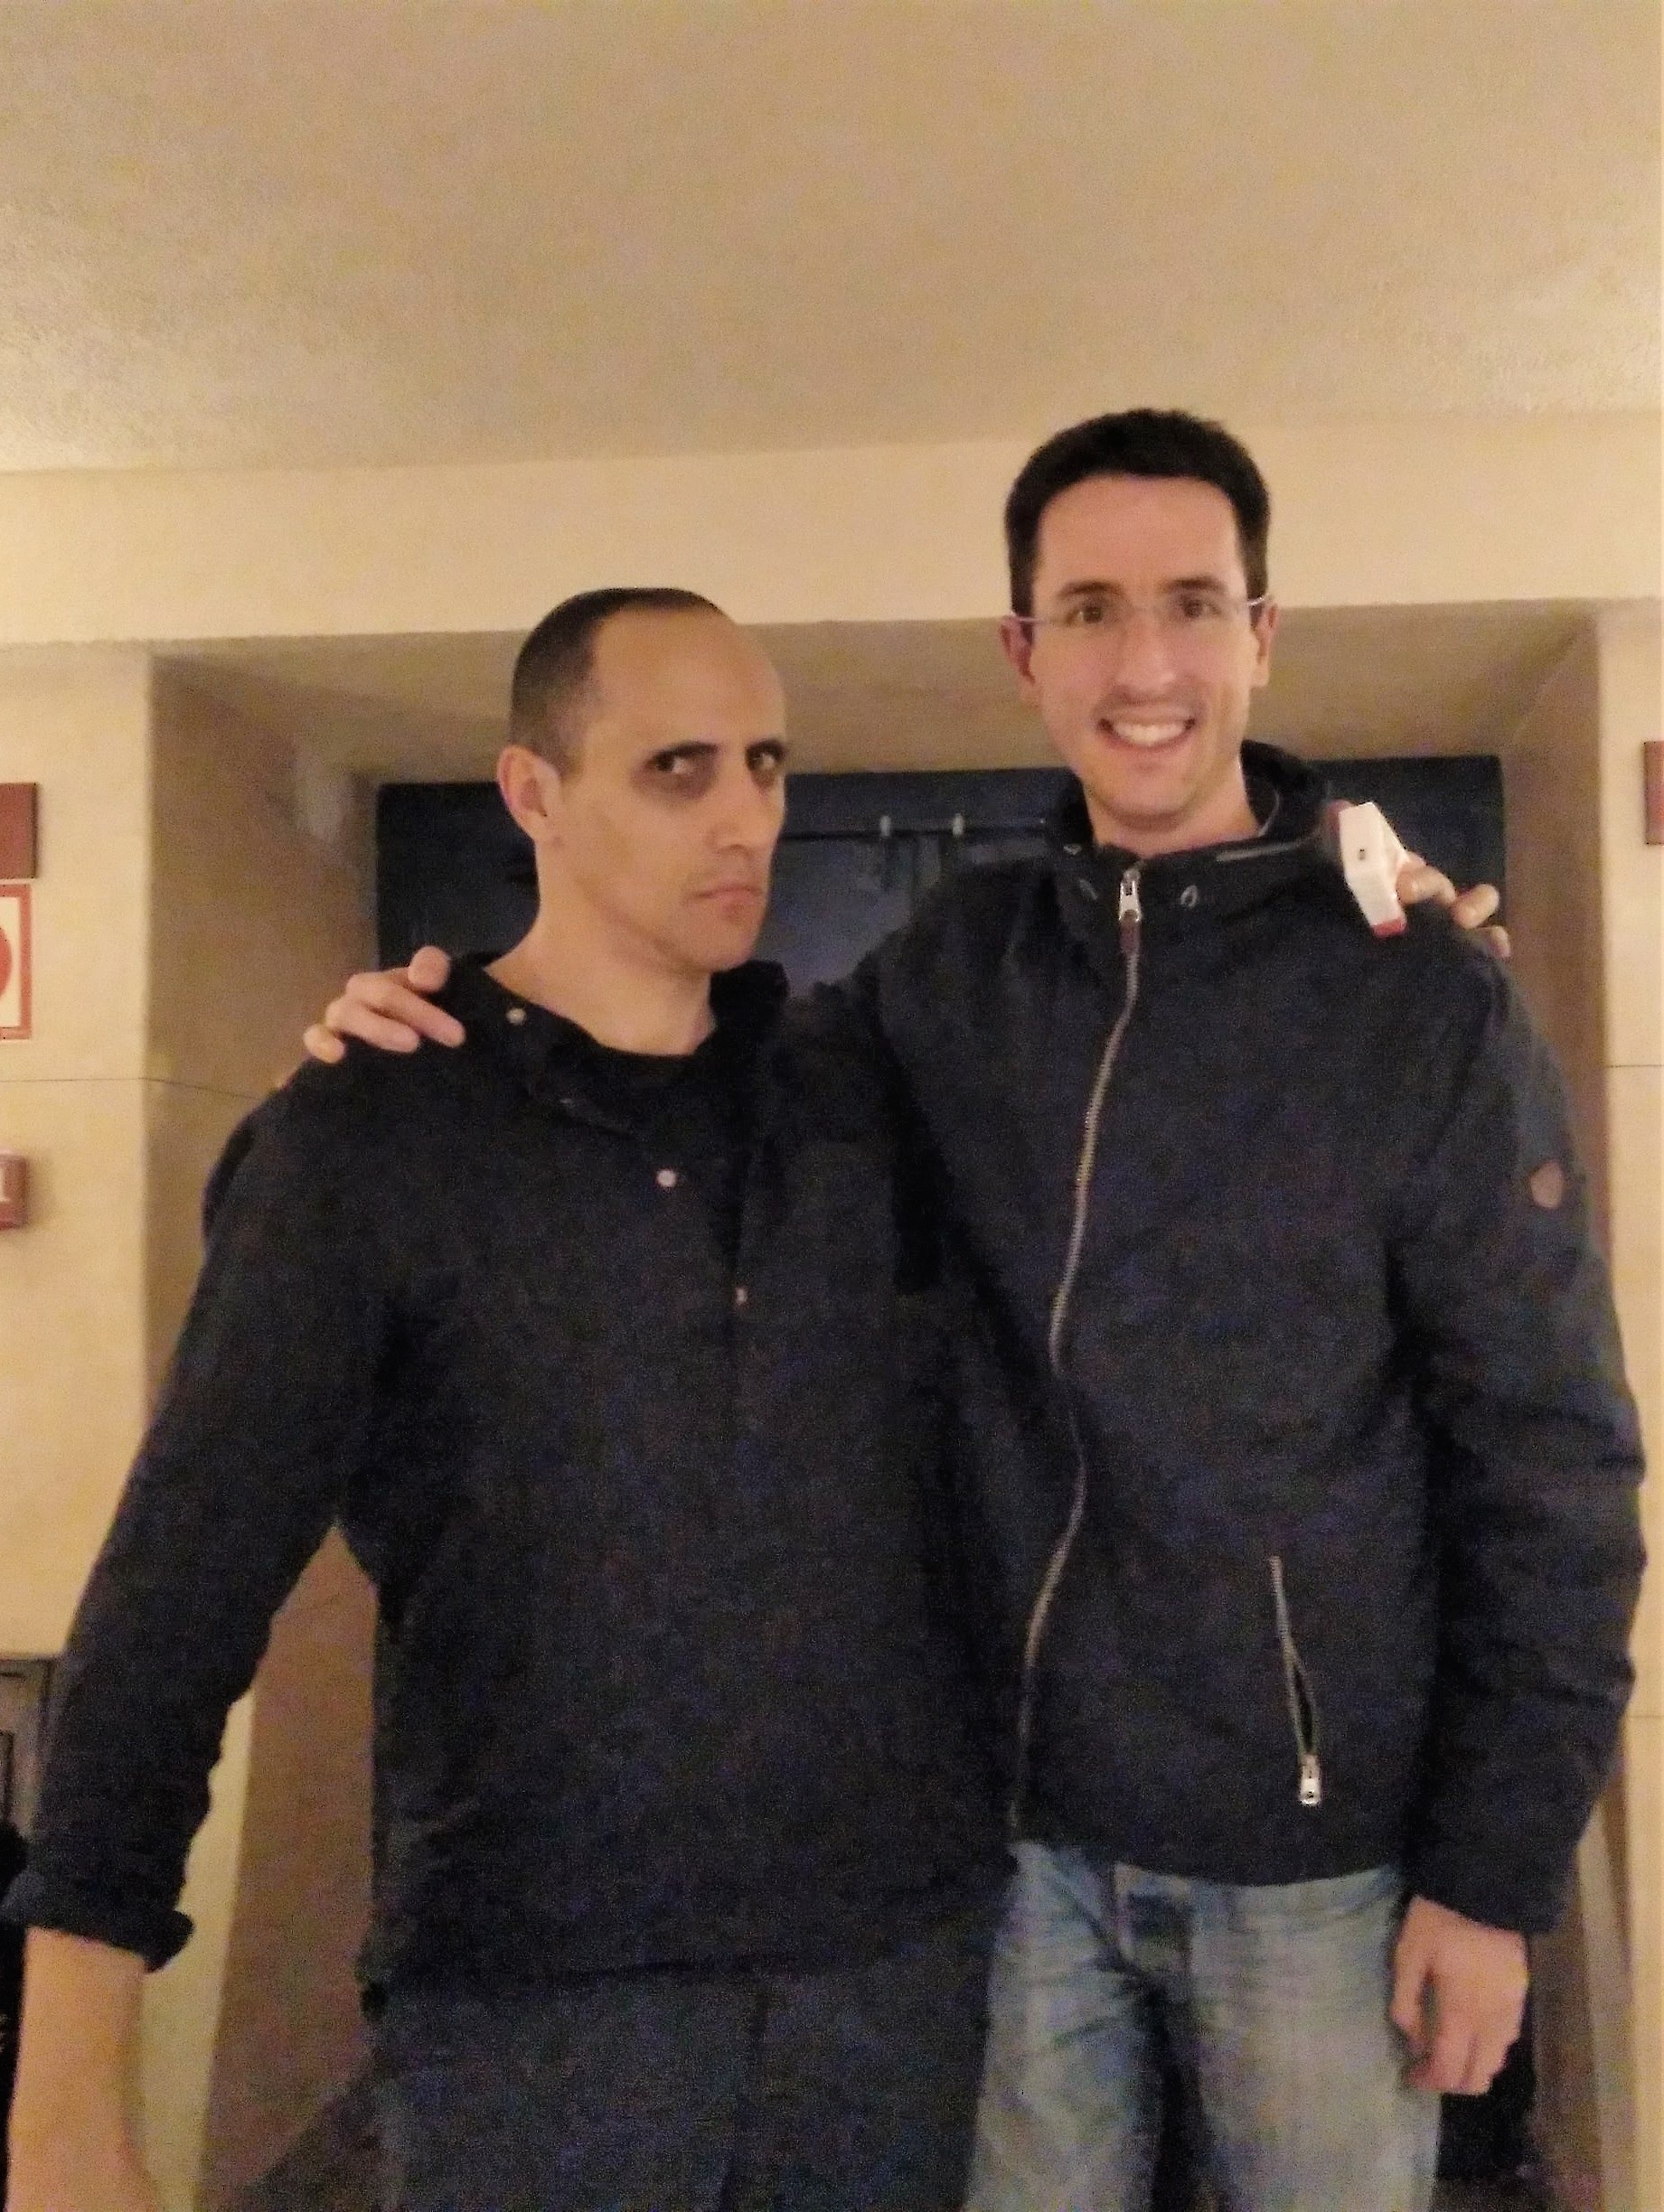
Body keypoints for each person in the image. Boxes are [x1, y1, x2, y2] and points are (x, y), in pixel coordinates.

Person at [316, 410, 1644, 2212]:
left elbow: (1552, 1469)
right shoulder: (954, 967)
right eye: (1089, 610)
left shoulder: (1421, 1007)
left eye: (1192, 604)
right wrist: (459, 1028)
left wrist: (1493, 1879)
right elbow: (695, 1074)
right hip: (1008, 1850)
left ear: (1262, 633)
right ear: (1024, 650)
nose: (1145, 664)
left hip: (1315, 1865)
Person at [1, 589, 1009, 2212]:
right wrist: (62, 2100)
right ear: (533, 792)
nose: (745, 815)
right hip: (538, 2006)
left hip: (885, 1982)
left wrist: (1402, 938)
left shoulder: (861, 1095)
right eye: (677, 767)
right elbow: (180, 1591)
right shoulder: (366, 1136)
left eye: (765, 762)